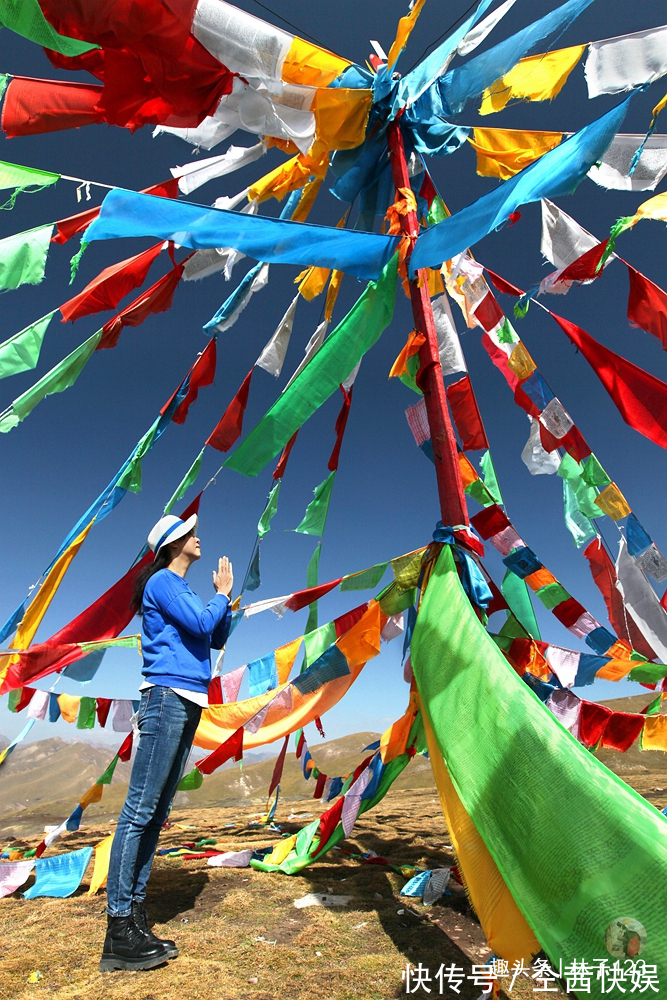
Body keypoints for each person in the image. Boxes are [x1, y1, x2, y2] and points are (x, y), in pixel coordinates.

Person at [100, 513, 233, 972]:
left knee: (156, 812)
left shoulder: (183, 590)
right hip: (167, 695)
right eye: (192, 534)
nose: (199, 537)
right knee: (140, 810)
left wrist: (224, 603)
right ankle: (119, 926)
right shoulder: (162, 582)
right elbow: (200, 622)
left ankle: (135, 915)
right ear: (174, 544)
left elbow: (215, 633)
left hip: (186, 698)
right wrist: (220, 595)